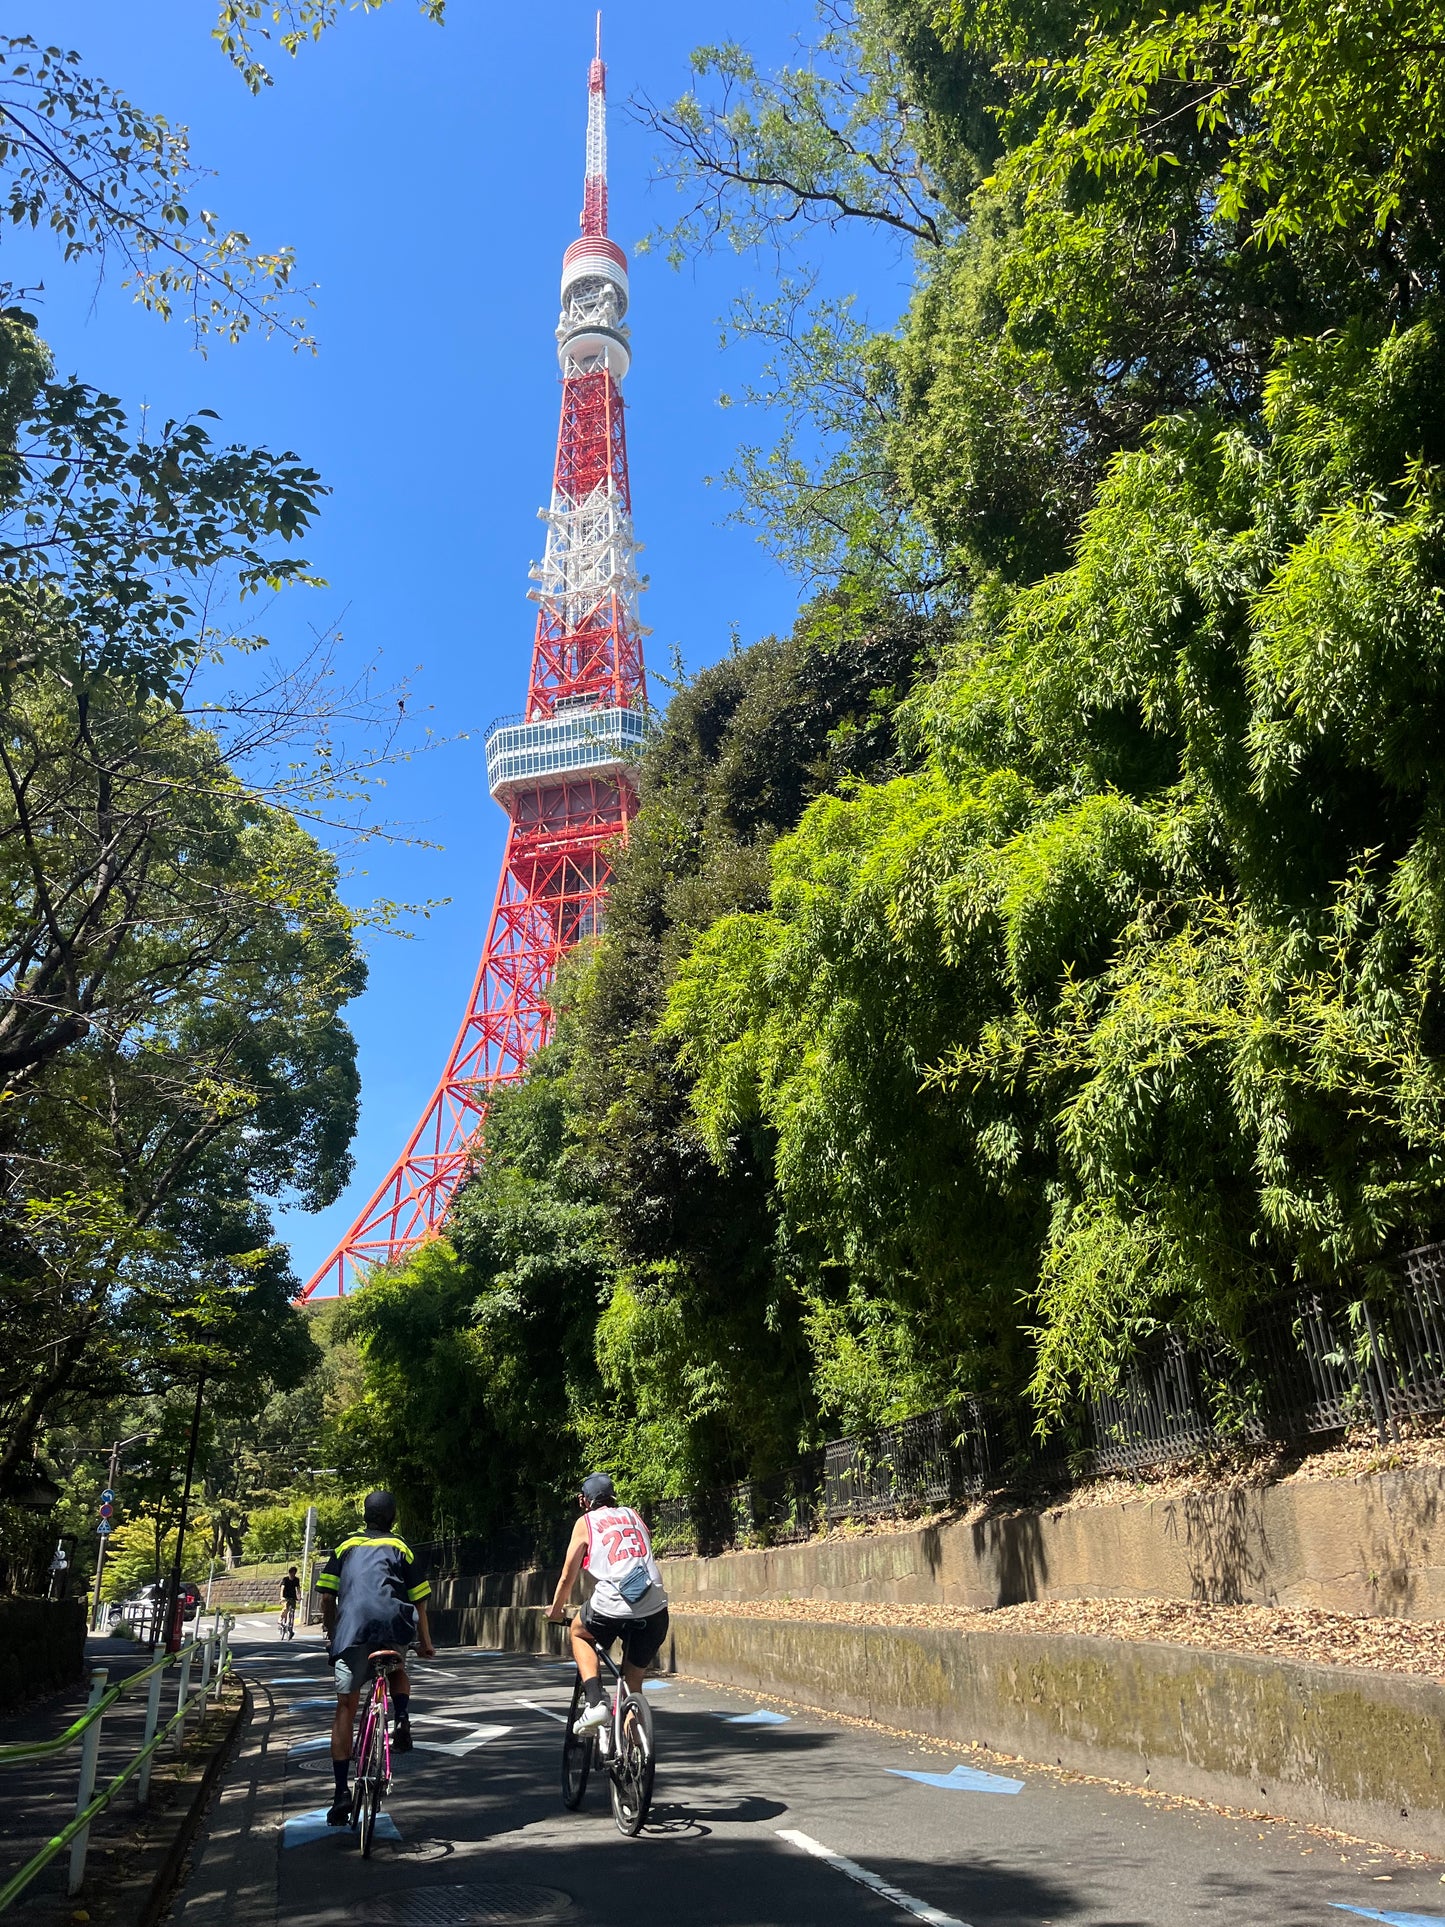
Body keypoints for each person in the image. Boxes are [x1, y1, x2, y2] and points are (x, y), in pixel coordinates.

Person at [317, 1490, 435, 1827]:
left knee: (345, 1708)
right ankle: (401, 1718)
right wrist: (425, 1643)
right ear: (393, 1517)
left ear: (365, 1515)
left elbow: (327, 1593)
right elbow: (420, 1602)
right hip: (392, 1627)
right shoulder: (401, 1548)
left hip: (352, 1630)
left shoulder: (344, 1547)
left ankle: (341, 1793)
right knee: (397, 1666)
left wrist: (332, 1630)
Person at [547, 1473, 669, 1740]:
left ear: (584, 1501)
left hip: (613, 1603)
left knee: (579, 1632)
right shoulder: (633, 1514)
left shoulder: (585, 1522)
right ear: (614, 1496)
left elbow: (569, 1575)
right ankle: (636, 1755)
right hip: (655, 1606)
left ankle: (594, 1704)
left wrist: (556, 1610)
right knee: (632, 1683)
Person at [279, 1565, 300, 1638]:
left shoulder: (296, 1580)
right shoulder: (285, 1579)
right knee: (286, 1608)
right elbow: (282, 1588)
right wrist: (281, 1597)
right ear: (289, 1573)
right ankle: (280, 1619)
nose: (293, 1575)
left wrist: (299, 1597)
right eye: (292, 1573)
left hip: (293, 1597)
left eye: (294, 1573)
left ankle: (290, 1628)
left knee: (292, 1612)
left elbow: (298, 1589)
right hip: (286, 1597)